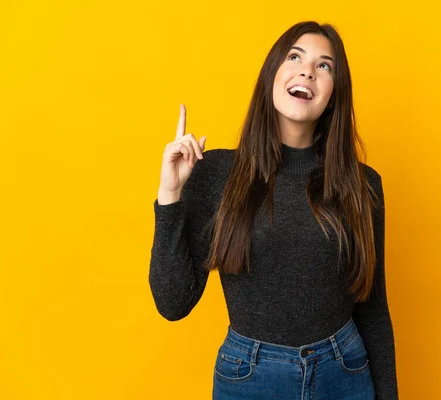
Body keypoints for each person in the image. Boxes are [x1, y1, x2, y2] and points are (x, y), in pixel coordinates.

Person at [149, 21, 399, 399]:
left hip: (344, 373)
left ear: (333, 95)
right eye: (295, 56)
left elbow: (373, 309)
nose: (307, 71)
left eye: (324, 66)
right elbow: (173, 303)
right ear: (272, 74)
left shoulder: (362, 185)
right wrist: (170, 195)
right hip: (250, 378)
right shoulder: (216, 173)